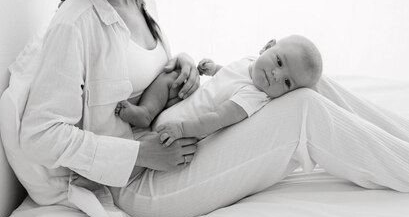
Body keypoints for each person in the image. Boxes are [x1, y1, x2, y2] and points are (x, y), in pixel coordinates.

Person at [15, 0, 409, 217]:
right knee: (302, 109)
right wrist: (140, 153)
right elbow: (39, 135)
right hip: (139, 182)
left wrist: (180, 64)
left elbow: (136, 74)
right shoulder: (75, 25)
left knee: (305, 73)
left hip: (176, 140)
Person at [115, 35, 323, 144]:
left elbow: (217, 118)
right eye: (279, 61)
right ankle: (146, 112)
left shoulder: (253, 97)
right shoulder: (251, 61)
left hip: (181, 129)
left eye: (287, 82)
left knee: (148, 145)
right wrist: (214, 69)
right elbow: (231, 75)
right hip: (179, 104)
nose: (277, 75)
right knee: (172, 78)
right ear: (268, 46)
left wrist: (181, 129)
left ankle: (137, 142)